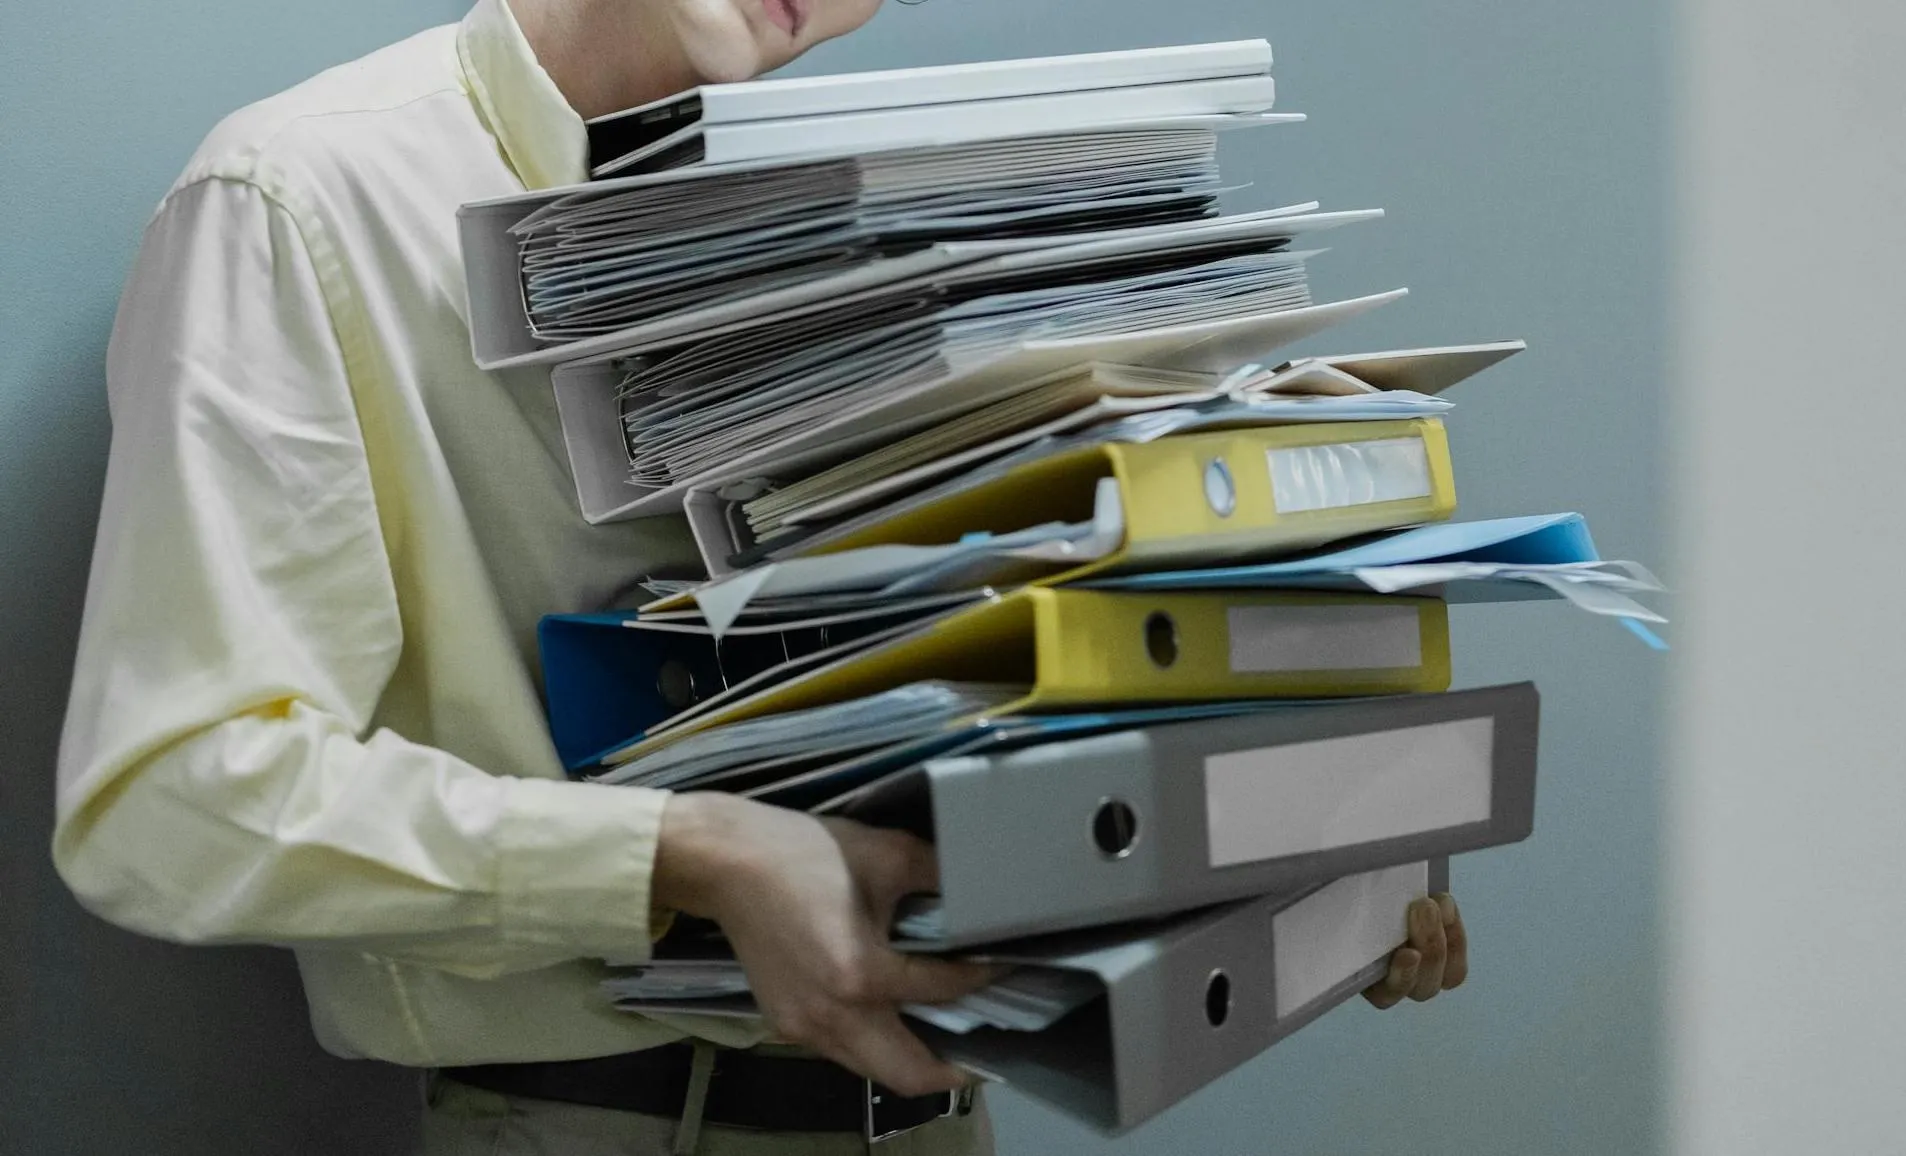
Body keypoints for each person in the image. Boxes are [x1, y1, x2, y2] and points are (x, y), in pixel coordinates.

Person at [51, 0, 1470, 1152]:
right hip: (596, 1126)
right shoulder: (303, 196)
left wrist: (1293, 855)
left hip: (937, 1118)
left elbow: (977, 672)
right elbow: (174, 795)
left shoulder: (899, 223)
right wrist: (696, 853)